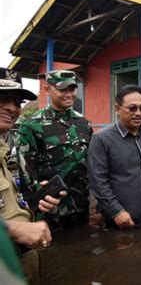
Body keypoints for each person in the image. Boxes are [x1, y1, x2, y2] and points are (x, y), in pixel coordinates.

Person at [0, 67, 62, 284]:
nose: (11, 107)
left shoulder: (2, 153)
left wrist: (32, 204)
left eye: (17, 102)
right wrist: (13, 229)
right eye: (2, 98)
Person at [17, 70, 92, 228]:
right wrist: (36, 211)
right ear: (47, 89)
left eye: (72, 89)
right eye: (62, 89)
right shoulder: (31, 125)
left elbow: (91, 163)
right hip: (51, 209)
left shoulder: (83, 123)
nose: (69, 94)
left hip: (81, 205)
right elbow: (27, 174)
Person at [88, 85, 141, 228]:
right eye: (132, 108)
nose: (138, 113)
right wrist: (116, 211)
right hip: (122, 221)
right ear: (118, 109)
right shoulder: (102, 139)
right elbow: (98, 181)